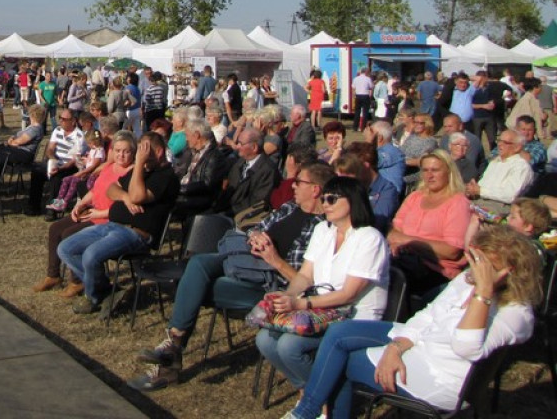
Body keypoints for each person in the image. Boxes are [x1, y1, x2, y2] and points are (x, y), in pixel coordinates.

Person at [281, 225, 541, 419]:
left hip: (439, 378)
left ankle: (309, 412)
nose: (474, 269)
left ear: (509, 271)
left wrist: (482, 294)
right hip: (419, 344)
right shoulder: (467, 281)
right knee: (340, 333)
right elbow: (428, 314)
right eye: (475, 260)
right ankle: (307, 411)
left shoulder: (515, 314)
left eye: (483, 264)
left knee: (342, 362)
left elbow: (465, 348)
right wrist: (396, 347)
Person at [129, 161, 334, 392]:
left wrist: (274, 260)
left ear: (315, 189)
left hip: (269, 285)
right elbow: (255, 227)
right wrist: (255, 237)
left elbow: (305, 282)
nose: (293, 185)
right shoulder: (289, 208)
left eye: (299, 182)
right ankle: (173, 345)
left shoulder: (321, 229)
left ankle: (170, 357)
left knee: (194, 287)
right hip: (244, 262)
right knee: (199, 263)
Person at [255, 176, 390, 392]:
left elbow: (349, 294)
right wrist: (287, 296)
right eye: (324, 199)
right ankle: (311, 392)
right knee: (265, 340)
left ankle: (322, 397)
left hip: (354, 316)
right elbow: (305, 276)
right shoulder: (323, 230)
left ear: (353, 201)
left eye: (332, 199)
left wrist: (301, 304)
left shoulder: (369, 238)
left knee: (290, 346)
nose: (325, 204)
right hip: (321, 311)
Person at [57, 131, 180, 314]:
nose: (140, 154)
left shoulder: (166, 176)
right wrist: (124, 197)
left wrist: (138, 165)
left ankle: (94, 297)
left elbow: (137, 196)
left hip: (136, 233)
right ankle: (107, 291)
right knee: (66, 248)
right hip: (111, 225)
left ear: (159, 152)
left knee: (91, 255)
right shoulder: (143, 171)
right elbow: (112, 189)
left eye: (144, 150)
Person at [32, 131, 138, 294]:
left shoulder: (132, 174)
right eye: (117, 151)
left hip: (107, 219)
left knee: (69, 234)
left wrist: (99, 213)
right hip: (92, 211)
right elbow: (95, 191)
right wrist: (81, 204)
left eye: (126, 151)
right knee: (55, 229)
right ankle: (53, 275)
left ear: (133, 152)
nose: (121, 155)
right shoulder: (109, 167)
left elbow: (124, 208)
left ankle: (77, 281)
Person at [388, 149, 471, 298]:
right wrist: (397, 242)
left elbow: (451, 251)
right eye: (425, 170)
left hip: (436, 270)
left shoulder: (458, 203)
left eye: (435, 170)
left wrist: (408, 241)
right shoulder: (415, 197)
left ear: (449, 172)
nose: (429, 175)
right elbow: (393, 230)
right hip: (405, 259)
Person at [25, 108, 86, 216]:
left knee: (57, 177)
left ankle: (53, 209)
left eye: (64, 119)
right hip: (56, 162)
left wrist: (60, 167)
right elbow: (50, 148)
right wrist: (52, 159)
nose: (61, 121)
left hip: (70, 166)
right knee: (37, 171)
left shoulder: (79, 136)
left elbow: (75, 159)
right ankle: (33, 207)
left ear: (73, 121)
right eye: (60, 118)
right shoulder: (57, 130)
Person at [466, 129, 535, 207]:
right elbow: (481, 187)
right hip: (481, 202)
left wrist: (480, 191)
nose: (499, 144)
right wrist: (472, 189)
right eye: (499, 141)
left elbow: (510, 196)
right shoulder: (495, 162)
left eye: (505, 142)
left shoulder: (521, 166)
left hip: (501, 206)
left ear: (517, 147)